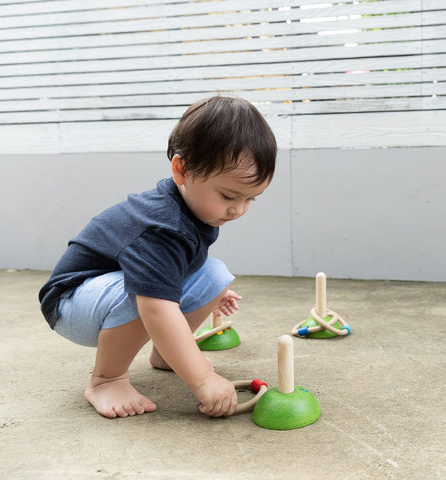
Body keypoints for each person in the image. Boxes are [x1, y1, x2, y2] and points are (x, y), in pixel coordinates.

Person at [39, 96, 277, 419]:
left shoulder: (195, 210)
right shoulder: (161, 225)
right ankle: (107, 378)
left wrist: (209, 291)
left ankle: (165, 354)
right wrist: (202, 379)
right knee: (148, 297)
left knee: (215, 275)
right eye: (228, 196)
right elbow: (155, 305)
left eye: (251, 199)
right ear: (182, 170)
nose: (238, 210)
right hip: (70, 302)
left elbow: (180, 270)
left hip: (104, 294)